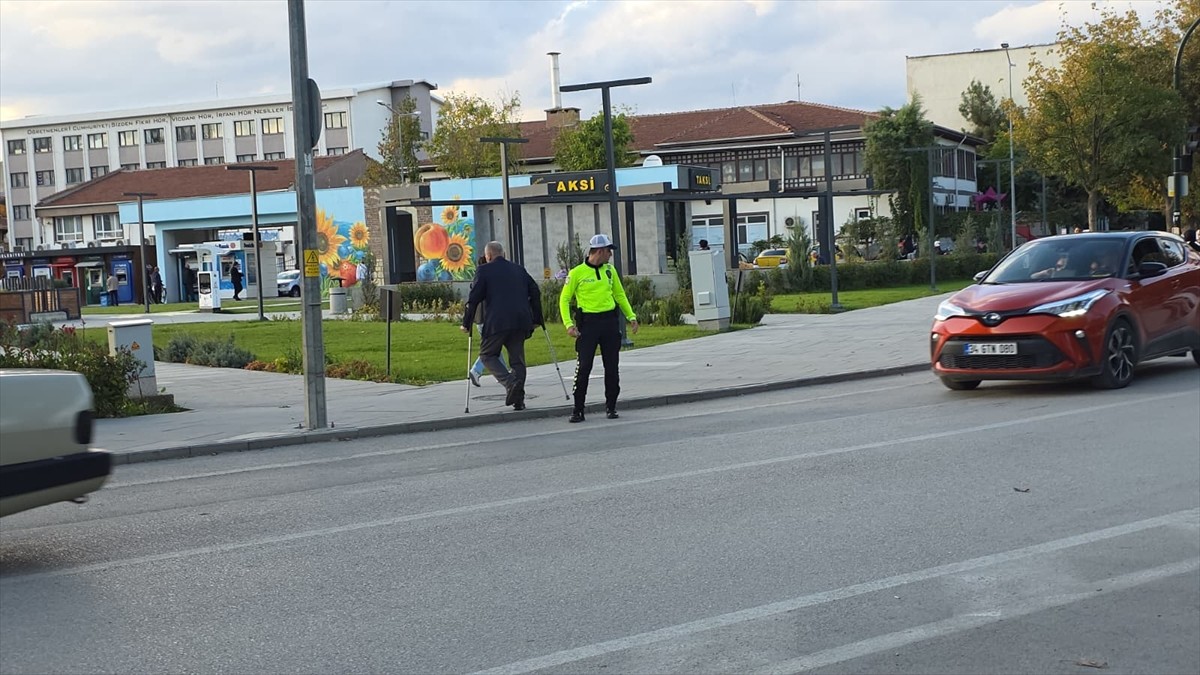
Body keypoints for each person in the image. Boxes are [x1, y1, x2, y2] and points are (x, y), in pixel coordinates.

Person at [559, 233, 639, 423]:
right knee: (584, 366)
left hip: (609, 323)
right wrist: (568, 324)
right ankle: (578, 409)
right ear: (600, 251)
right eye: (609, 251)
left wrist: (631, 317)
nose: (610, 255)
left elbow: (619, 295)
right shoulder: (577, 273)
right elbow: (564, 299)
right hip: (588, 325)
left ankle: (611, 406)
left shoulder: (609, 270)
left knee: (611, 366)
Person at [460, 241, 542, 410]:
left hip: (497, 322)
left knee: (487, 355)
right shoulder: (519, 269)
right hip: (520, 321)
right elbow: (535, 291)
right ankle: (519, 400)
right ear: (503, 254)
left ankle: (510, 383)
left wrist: (466, 323)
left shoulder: (484, 270)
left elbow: (473, 299)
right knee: (517, 361)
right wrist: (537, 319)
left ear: (488, 256)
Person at [468, 255, 507, 387]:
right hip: (488, 319)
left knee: (495, 347)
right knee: (490, 349)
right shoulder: (487, 278)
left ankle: (503, 373)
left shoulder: (479, 277)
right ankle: (476, 370)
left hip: (481, 319)